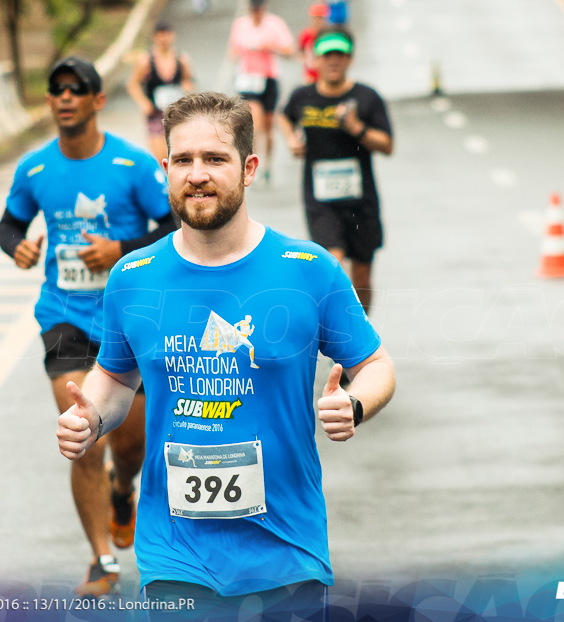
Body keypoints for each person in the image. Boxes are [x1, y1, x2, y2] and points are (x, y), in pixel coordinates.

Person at [56, 92, 395, 619]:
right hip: (175, 555)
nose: (197, 174)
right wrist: (91, 416)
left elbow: (374, 366)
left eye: (215, 159)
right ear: (165, 168)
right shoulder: (132, 278)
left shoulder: (307, 269)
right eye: (184, 161)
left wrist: (353, 404)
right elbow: (115, 379)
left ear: (249, 168)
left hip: (288, 552)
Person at [0, 56, 177, 597]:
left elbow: (172, 225)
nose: (66, 97)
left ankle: (125, 490)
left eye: (78, 89)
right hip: (65, 317)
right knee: (84, 437)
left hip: (129, 320)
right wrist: (19, 247)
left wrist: (121, 249)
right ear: (50, 101)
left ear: (99, 100)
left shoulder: (133, 166)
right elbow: (9, 224)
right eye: (57, 89)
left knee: (130, 447)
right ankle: (103, 559)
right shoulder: (34, 169)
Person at [279, 28, 394, 314]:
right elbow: (284, 115)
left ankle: (360, 332)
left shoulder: (367, 98)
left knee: (362, 277)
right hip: (321, 199)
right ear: (315, 60)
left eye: (340, 55)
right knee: (333, 263)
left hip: (361, 199)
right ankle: (339, 335)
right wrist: (292, 140)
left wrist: (358, 129)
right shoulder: (302, 96)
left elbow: (387, 144)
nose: (333, 61)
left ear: (350, 59)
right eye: (327, 55)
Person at [228, 0, 294, 182]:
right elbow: (232, 51)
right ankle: (253, 164)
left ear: (264, 9)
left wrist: (270, 46)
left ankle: (267, 165)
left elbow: (289, 50)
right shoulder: (241, 25)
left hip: (269, 78)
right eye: (253, 10)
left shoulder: (275, 25)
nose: (257, 14)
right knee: (254, 122)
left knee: (268, 126)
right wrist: (239, 54)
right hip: (248, 79)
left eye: (260, 10)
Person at [127, 21, 195, 164]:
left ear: (173, 36)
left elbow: (189, 81)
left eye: (167, 35)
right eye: (160, 35)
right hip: (155, 113)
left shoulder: (181, 59)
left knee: (176, 155)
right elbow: (133, 84)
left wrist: (186, 90)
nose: (164, 39)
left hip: (176, 113)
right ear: (155, 37)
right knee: (160, 158)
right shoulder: (146, 60)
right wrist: (144, 103)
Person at [298, 2, 329, 84]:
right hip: (310, 74)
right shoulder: (305, 35)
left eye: (321, 18)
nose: (318, 21)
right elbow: (301, 52)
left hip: (325, 74)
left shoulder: (328, 35)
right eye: (316, 18)